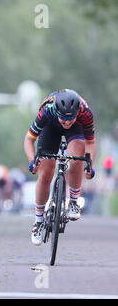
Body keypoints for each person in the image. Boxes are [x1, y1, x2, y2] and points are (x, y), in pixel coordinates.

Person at [24, 89, 96, 246]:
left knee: (77, 156)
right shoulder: (47, 111)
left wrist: (89, 165)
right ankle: (38, 221)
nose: (67, 122)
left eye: (71, 118)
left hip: (77, 131)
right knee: (46, 172)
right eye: (63, 118)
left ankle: (73, 202)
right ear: (57, 111)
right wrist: (32, 161)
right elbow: (29, 139)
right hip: (50, 128)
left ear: (77, 112)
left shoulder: (85, 113)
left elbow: (90, 143)